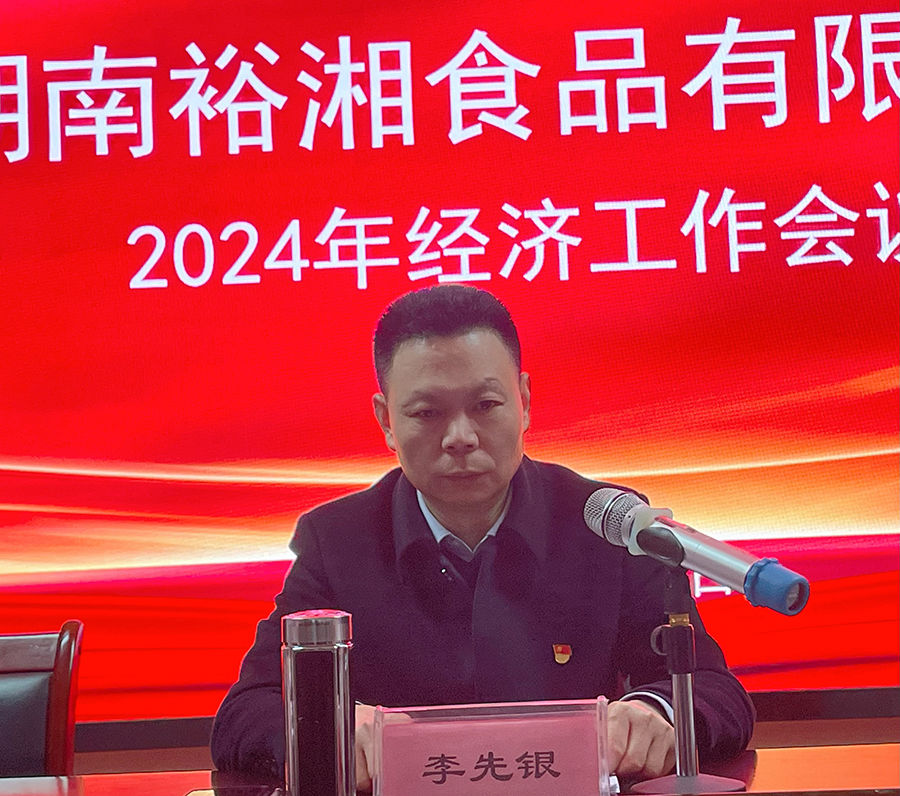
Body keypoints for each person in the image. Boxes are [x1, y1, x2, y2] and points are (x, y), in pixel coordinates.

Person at [211, 285, 754, 787]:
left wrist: (655, 714)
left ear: (525, 401)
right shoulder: (337, 541)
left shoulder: (606, 525)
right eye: (427, 412)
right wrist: (324, 732)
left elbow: (716, 692)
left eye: (486, 406)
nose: (461, 437)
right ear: (386, 421)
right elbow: (247, 712)